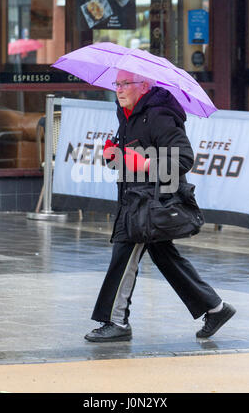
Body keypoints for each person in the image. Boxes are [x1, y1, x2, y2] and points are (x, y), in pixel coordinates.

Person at [84, 70, 236, 342]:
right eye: (116, 84)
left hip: (153, 203)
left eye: (125, 84)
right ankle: (216, 308)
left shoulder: (159, 115)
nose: (119, 89)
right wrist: (114, 154)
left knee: (124, 253)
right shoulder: (126, 113)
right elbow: (130, 155)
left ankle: (116, 322)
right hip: (135, 199)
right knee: (164, 256)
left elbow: (183, 159)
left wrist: (143, 164)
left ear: (144, 86)